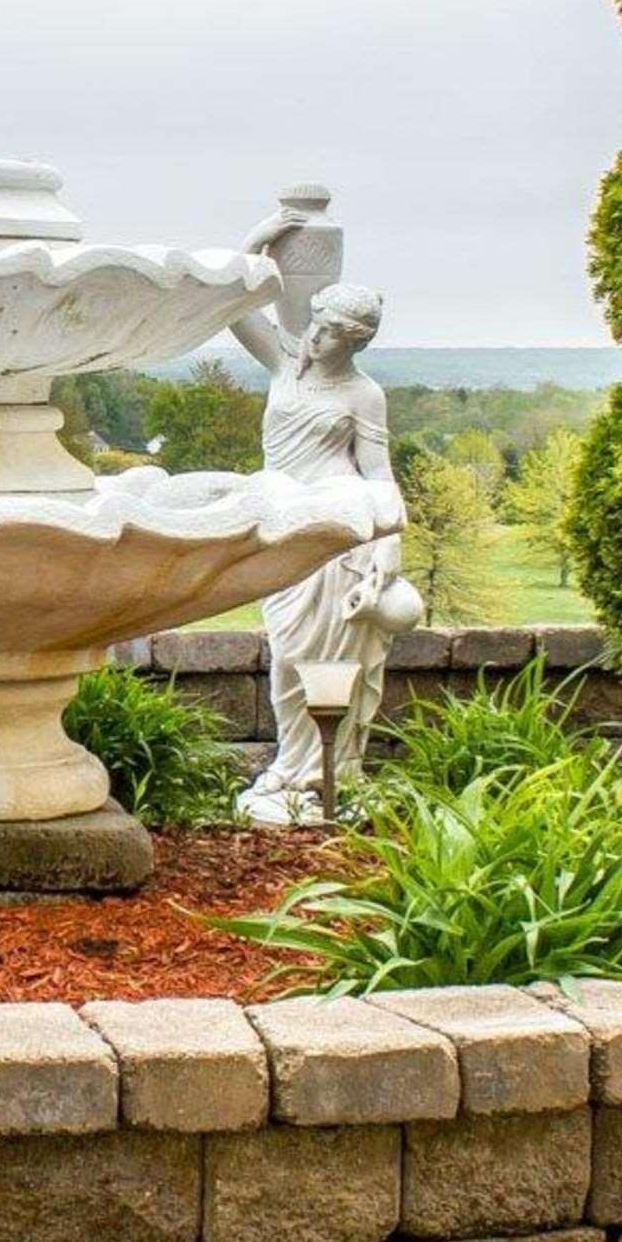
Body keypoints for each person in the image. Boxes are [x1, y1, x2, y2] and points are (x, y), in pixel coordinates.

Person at [226, 246, 415, 821]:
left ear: (355, 341)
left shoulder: (364, 395)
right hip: (284, 529)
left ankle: (331, 776)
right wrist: (256, 243)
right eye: (316, 323)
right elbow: (234, 306)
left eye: (332, 332)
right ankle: (293, 764)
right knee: (287, 657)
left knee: (334, 662)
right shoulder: (285, 365)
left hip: (337, 536)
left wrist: (388, 542)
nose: (317, 337)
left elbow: (378, 475)